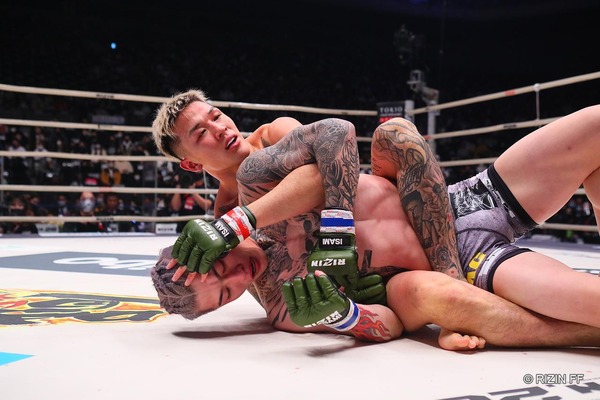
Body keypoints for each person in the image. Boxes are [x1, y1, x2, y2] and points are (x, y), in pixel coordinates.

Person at [151, 96, 600, 348]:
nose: (219, 129)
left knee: (395, 132)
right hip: (467, 263)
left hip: (458, 199)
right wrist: (345, 312)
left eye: (213, 117)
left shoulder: (251, 188)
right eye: (226, 292)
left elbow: (331, 150)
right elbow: (275, 287)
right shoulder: (274, 289)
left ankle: (458, 295)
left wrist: (240, 225)